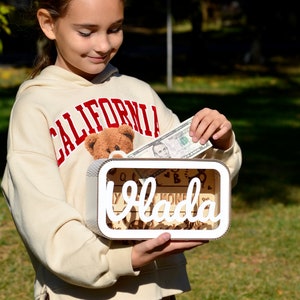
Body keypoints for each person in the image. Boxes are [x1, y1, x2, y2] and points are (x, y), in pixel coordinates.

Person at [1, 0, 242, 299]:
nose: (103, 45)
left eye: (115, 29)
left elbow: (198, 188)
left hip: (156, 291)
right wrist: (119, 261)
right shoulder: (35, 106)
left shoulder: (140, 93)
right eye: (86, 32)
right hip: (79, 293)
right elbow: (40, 213)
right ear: (49, 24)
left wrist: (219, 146)